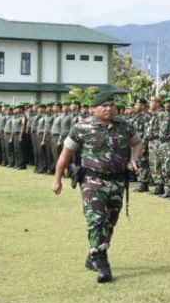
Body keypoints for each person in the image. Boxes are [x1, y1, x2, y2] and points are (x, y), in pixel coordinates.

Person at [52, 91, 143, 284]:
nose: (109, 108)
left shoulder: (125, 127)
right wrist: (57, 178)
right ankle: (102, 263)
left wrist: (134, 159)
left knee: (110, 222)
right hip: (93, 182)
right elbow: (65, 154)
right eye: (104, 105)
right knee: (96, 219)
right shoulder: (81, 128)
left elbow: (137, 143)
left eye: (112, 105)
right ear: (94, 108)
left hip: (117, 182)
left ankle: (93, 255)